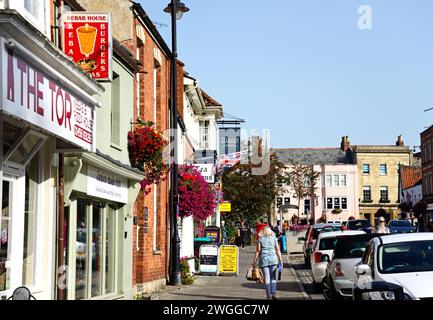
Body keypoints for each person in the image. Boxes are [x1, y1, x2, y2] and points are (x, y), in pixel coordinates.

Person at [252, 226, 283, 300]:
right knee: (273, 277)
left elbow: (258, 251)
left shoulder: (260, 239)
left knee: (267, 278)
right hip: (273, 259)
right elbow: (278, 250)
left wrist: (254, 262)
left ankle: (268, 296)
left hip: (264, 260)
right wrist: (281, 261)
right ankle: (274, 294)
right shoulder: (274, 239)